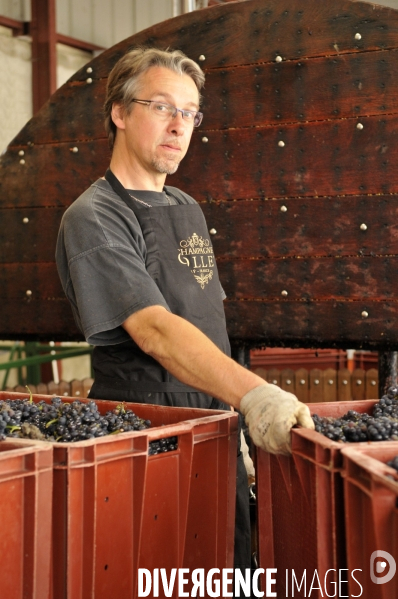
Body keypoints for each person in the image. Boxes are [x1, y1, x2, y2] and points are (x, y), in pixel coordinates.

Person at [55, 46, 314, 582]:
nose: (180, 125)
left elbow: (204, 324)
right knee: (160, 570)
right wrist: (255, 393)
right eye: (162, 107)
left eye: (190, 112)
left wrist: (233, 418)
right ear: (119, 113)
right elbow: (154, 328)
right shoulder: (95, 216)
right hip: (150, 434)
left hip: (215, 427)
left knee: (227, 568)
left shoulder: (186, 207)